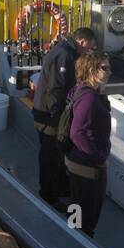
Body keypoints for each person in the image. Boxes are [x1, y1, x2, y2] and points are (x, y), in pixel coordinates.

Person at [32, 27, 96, 210]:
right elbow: (55, 89)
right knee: (49, 156)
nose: (88, 51)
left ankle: (61, 187)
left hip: (50, 112)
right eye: (88, 48)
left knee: (58, 152)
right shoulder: (65, 56)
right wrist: (58, 118)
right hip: (49, 116)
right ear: (82, 42)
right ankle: (49, 195)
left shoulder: (66, 50)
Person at [64, 51, 113, 237]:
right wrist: (97, 156)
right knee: (87, 214)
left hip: (78, 163)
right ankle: (79, 244)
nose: (109, 71)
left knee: (76, 207)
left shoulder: (81, 89)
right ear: (92, 70)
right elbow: (77, 132)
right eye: (104, 68)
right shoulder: (89, 98)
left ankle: (72, 238)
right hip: (87, 167)